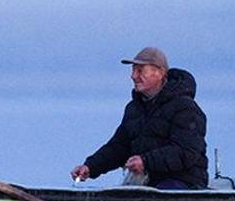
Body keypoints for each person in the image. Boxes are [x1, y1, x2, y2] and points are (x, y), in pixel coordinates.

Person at [70, 47, 208, 189]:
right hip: (146, 183)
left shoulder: (185, 108)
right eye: (133, 70)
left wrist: (146, 162)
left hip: (184, 183)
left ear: (159, 73)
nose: (133, 76)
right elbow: (119, 147)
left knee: (158, 196)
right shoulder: (134, 109)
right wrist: (90, 167)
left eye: (140, 70)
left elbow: (186, 152)